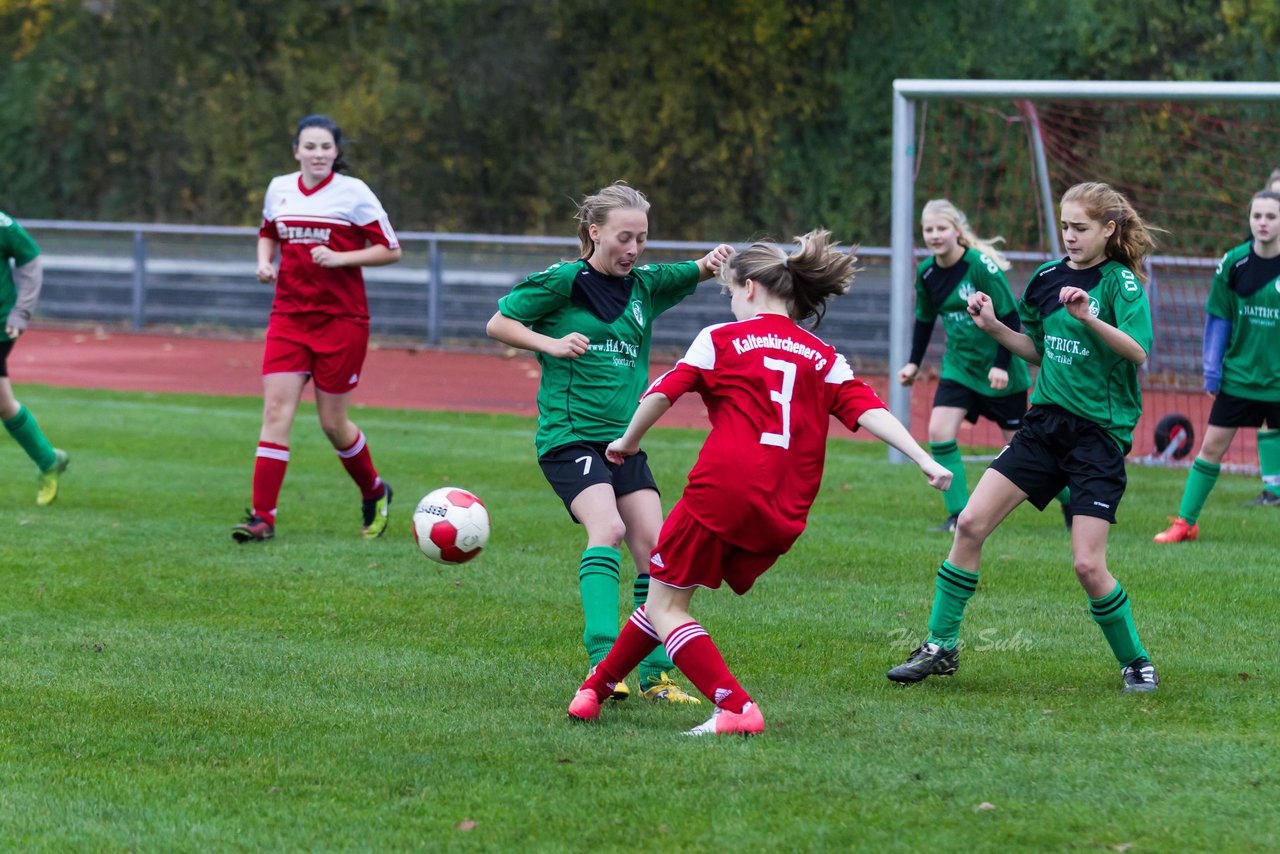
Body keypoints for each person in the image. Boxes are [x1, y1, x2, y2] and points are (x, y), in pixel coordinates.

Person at [566, 230, 951, 735]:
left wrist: (627, 443)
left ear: (749, 288)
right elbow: (869, 410)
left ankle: (735, 707)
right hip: (785, 506)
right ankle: (595, 688)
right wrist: (923, 457)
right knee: (669, 587)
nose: (729, 302)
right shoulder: (822, 353)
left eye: (728, 292)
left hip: (722, 490)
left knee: (665, 604)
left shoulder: (719, 339)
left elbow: (662, 394)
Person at [886, 182, 1161, 694]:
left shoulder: (1121, 285)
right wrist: (993, 327)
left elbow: (1137, 352)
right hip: (1043, 426)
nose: (1071, 236)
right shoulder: (1045, 279)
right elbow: (1035, 351)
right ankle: (940, 646)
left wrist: (1089, 317)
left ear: (1108, 229)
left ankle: (1136, 661)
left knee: (1086, 564)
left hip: (1097, 437)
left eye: (1081, 228)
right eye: (1065, 226)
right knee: (968, 523)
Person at [487, 182, 732, 704]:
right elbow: (499, 321)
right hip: (569, 438)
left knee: (658, 551)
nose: (634, 249)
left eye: (642, 238)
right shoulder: (563, 281)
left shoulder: (646, 284)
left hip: (624, 443)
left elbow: (698, 269)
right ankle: (603, 659)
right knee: (610, 528)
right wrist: (549, 343)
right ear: (594, 232)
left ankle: (656, 677)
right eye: (624, 237)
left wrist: (716, 260)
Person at [231, 114, 401, 542]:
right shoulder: (280, 187)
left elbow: (391, 249)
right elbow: (269, 231)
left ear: (336, 152)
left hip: (342, 322)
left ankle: (376, 491)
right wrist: (264, 261)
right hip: (288, 317)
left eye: (326, 147)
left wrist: (342, 258)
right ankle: (262, 518)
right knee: (275, 413)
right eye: (310, 146)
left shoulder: (354, 192)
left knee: (332, 424)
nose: (318, 154)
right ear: (296, 151)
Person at [896, 199, 1069, 533]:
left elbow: (1009, 314)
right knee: (938, 432)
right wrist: (913, 364)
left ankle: (1070, 497)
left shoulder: (980, 266)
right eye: (928, 229)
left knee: (1022, 450)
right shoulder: (926, 272)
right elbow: (924, 319)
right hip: (959, 367)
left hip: (998, 370)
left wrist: (1002, 365)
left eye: (941, 228)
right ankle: (958, 515)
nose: (934, 235)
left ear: (957, 232)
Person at [1154, 190, 1280, 540]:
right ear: (1250, 219)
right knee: (1211, 448)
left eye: (1271, 216)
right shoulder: (1234, 263)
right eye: (1258, 216)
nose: (1263, 223)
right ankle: (1185, 523)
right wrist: (1212, 369)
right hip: (1239, 377)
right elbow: (1218, 319)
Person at [0, 211, 69, 505]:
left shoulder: (2, 224)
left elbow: (30, 259)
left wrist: (22, 311)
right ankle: (47, 459)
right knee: (4, 405)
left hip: (1, 324)